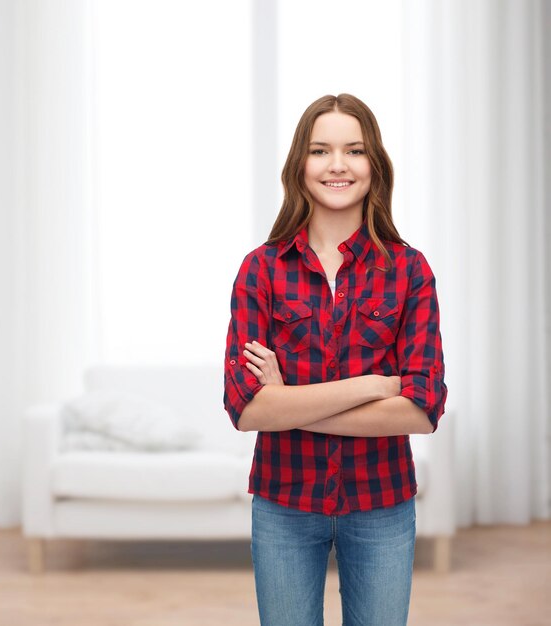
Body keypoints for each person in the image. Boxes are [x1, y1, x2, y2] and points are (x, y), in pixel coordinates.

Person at [223, 93, 447, 626]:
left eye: (356, 150)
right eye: (322, 150)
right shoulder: (261, 270)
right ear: (300, 165)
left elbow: (421, 411)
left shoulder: (409, 271)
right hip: (284, 503)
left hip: (381, 504)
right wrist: (374, 384)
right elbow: (247, 410)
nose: (339, 165)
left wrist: (290, 404)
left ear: (375, 166)